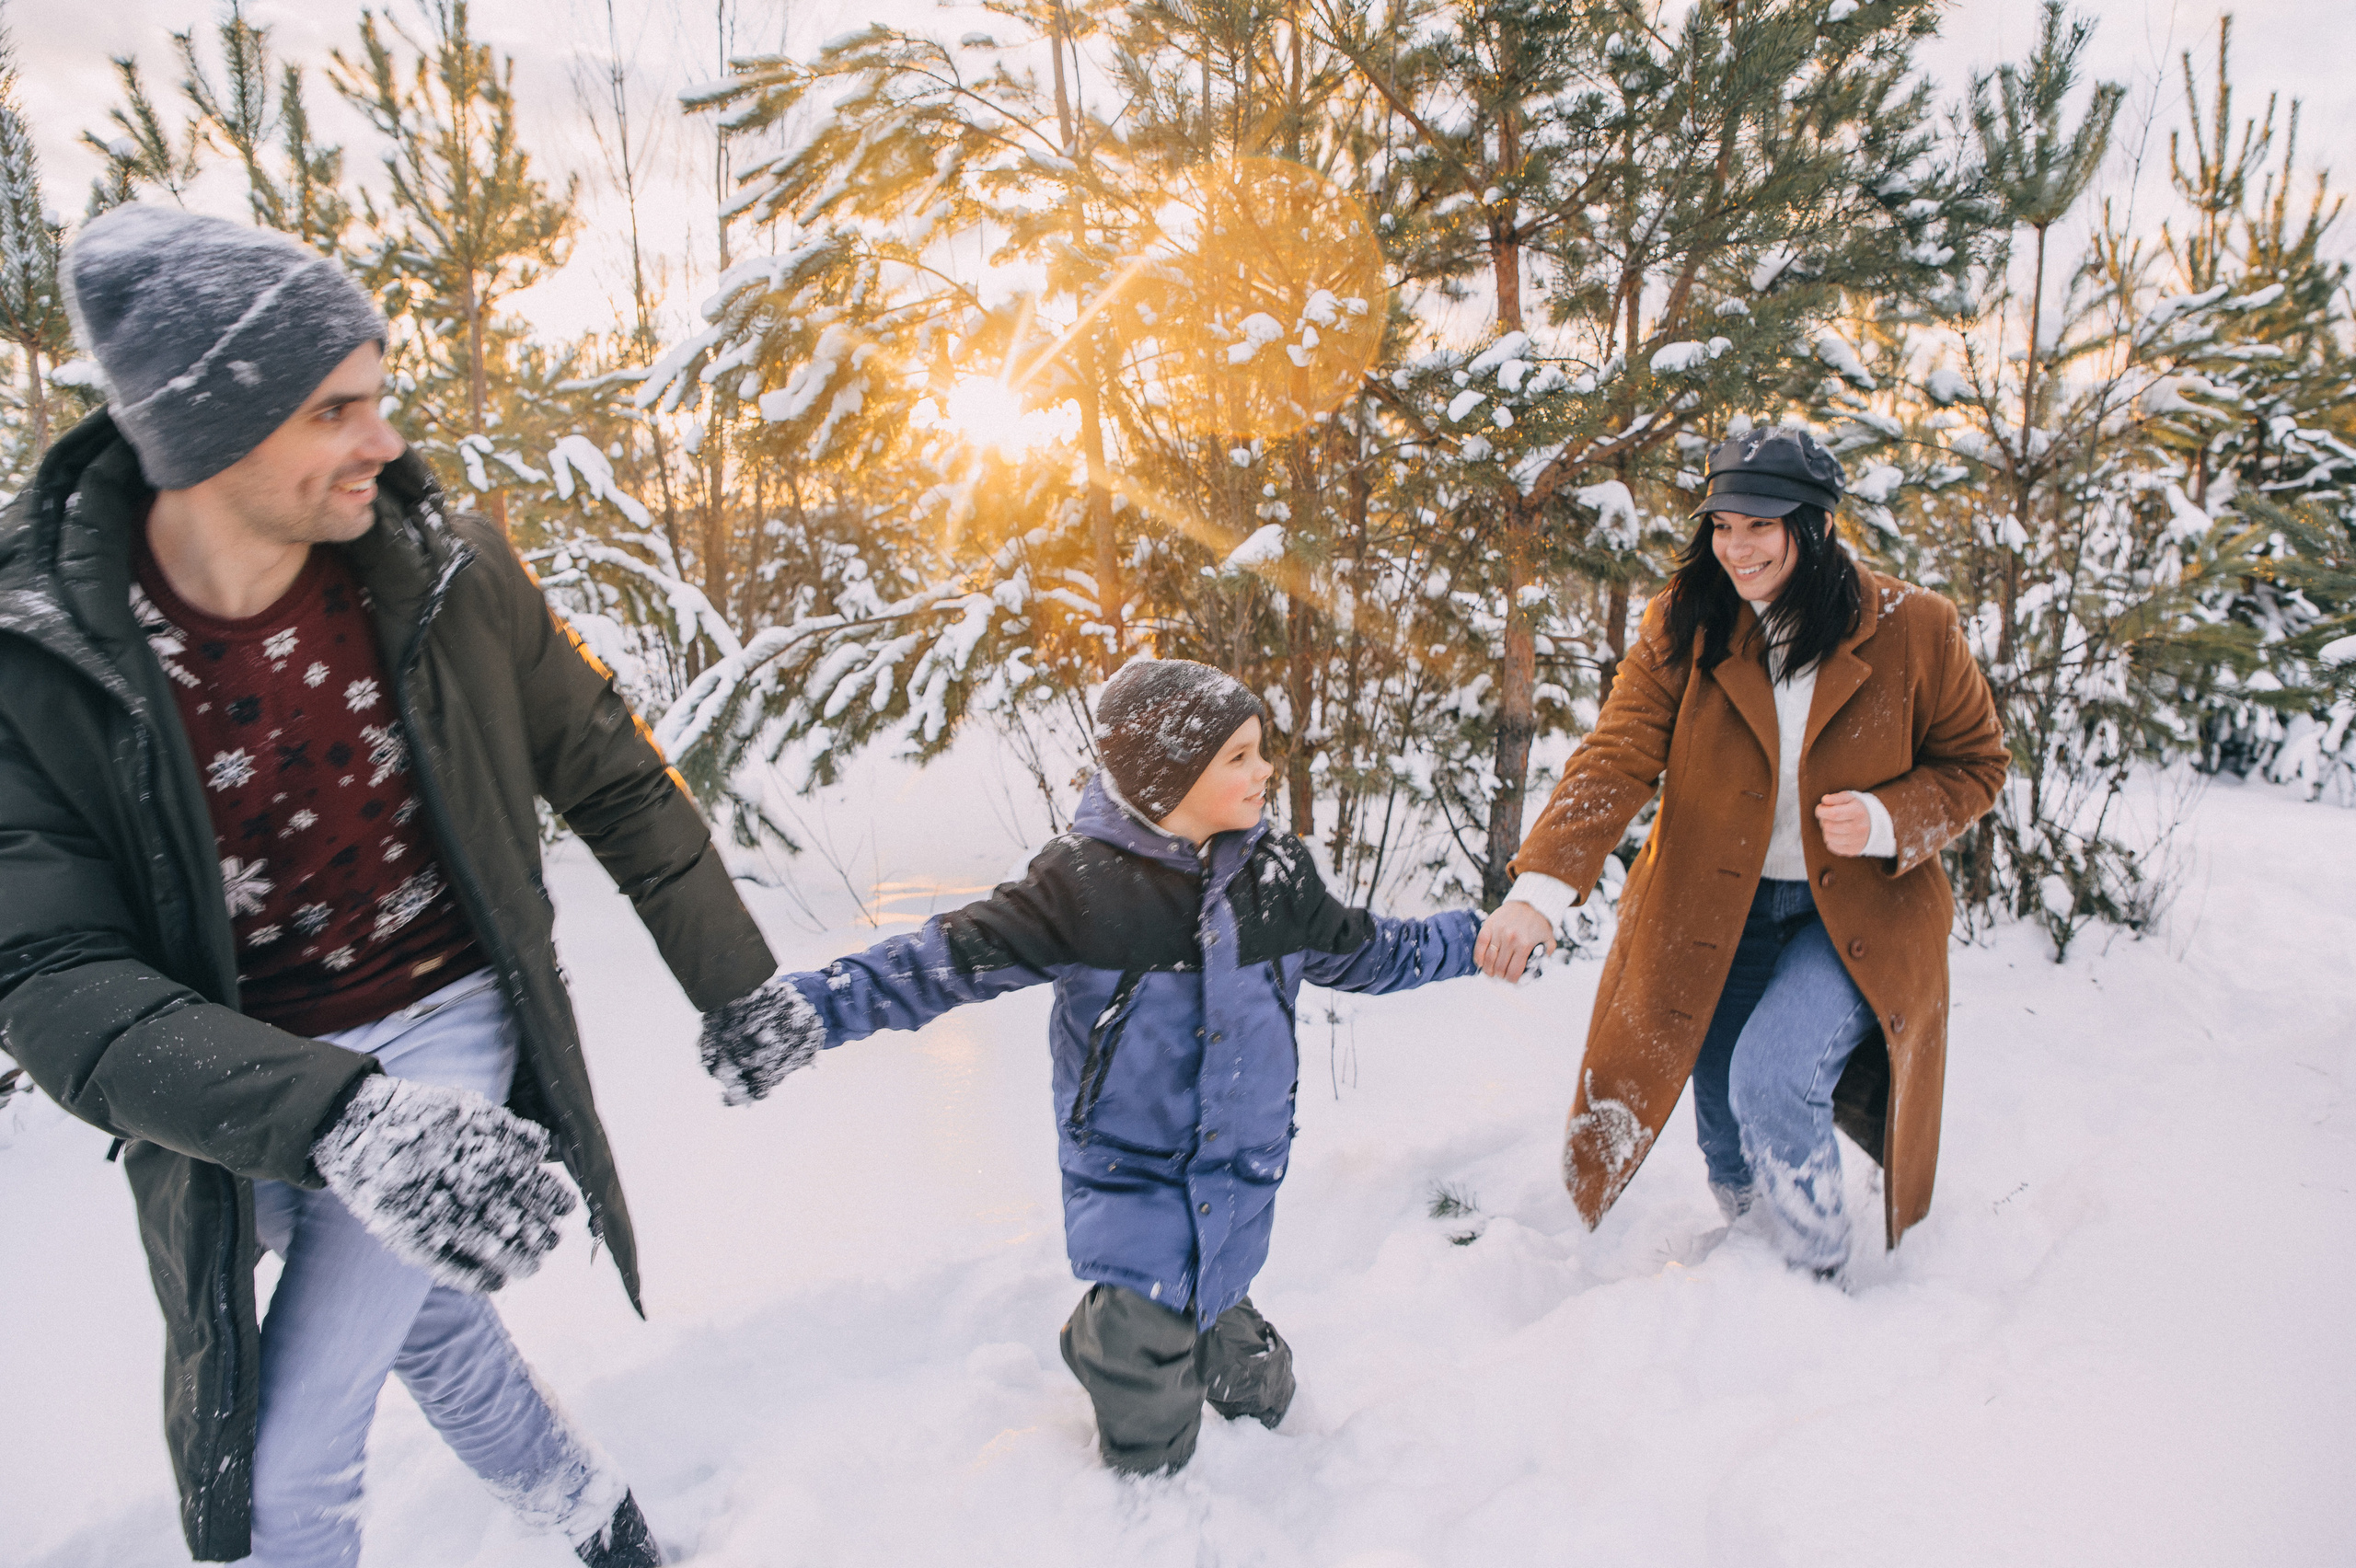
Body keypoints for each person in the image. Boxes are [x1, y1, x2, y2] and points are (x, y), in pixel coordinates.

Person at [0, 206, 820, 1566]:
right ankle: (607, 1529)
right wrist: (337, 1122)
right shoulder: (45, 661)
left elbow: (611, 776)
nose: (385, 443)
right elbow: (51, 975)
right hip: (247, 1075)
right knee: (424, 1322)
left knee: (283, 1470)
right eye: (337, 411)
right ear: (208, 439)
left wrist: (738, 984)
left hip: (441, 1016)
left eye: (379, 400)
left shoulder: (446, 576)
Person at [729, 658, 1481, 1475]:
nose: (1266, 769)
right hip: (1132, 1179)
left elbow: (1375, 952)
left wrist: (1478, 939)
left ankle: (1156, 1327)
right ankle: (1113, 1336)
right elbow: (938, 962)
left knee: (1263, 1395)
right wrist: (808, 1009)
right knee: (1155, 1436)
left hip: (1239, 1180)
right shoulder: (1082, 886)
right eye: (1239, 755)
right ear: (1172, 775)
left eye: (1260, 749)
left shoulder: (1277, 877)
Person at [1475, 426, 2008, 1277]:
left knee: (1772, 1077)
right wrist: (1540, 888)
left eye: (1760, 525)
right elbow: (1616, 755)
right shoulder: (1687, 623)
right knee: (1722, 1113)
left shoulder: (1919, 629)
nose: (1737, 547)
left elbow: (1978, 765)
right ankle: (1756, 1246)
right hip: (1719, 907)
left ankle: (1810, 1272)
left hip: (1855, 914)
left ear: (1815, 526)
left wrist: (1884, 818)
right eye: (1722, 525)